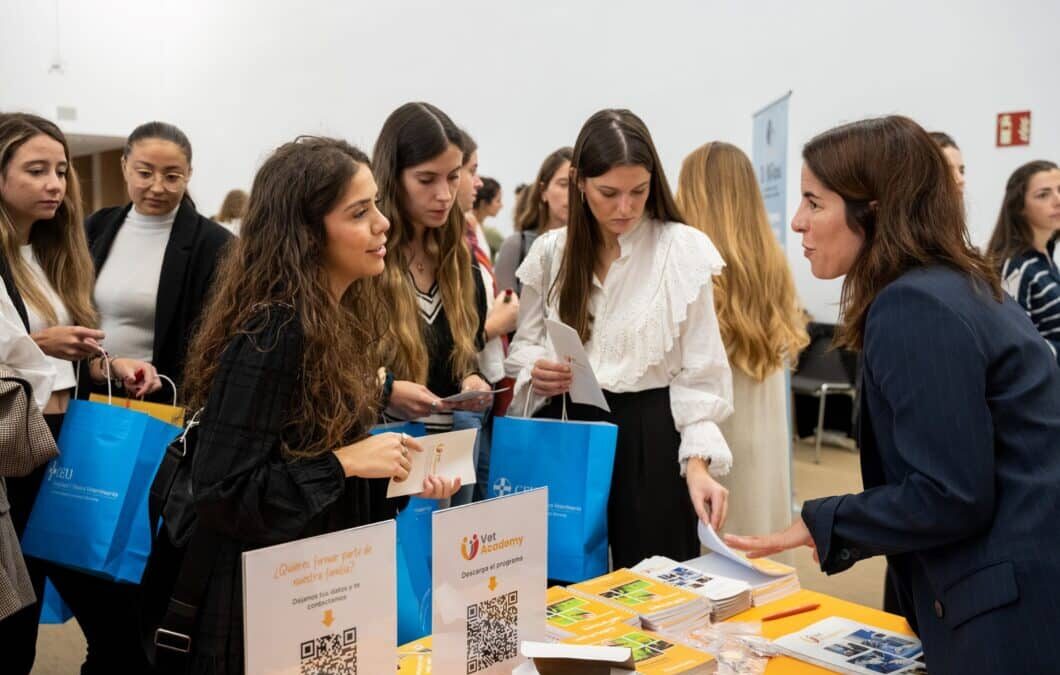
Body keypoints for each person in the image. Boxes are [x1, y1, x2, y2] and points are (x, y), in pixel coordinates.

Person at [725, 116, 1060, 673]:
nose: (799, 222)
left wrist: (825, 520)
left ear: (874, 208)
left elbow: (952, 493)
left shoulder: (915, 307)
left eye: (814, 202)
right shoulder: (951, 285)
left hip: (1008, 610)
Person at [171, 136, 460, 674]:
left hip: (320, 587)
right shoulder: (275, 331)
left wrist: (396, 474)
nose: (383, 223)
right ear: (307, 233)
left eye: (376, 203)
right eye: (359, 212)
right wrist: (346, 463)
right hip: (264, 606)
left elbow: (324, 485)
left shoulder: (335, 320)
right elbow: (222, 493)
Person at [506, 109, 733, 569]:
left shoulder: (681, 249)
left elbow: (701, 374)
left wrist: (698, 465)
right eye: (609, 193)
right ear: (579, 183)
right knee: (561, 586)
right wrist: (536, 369)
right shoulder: (551, 253)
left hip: (651, 432)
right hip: (568, 425)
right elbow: (524, 344)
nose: (625, 208)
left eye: (639, 192)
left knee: (655, 589)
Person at [0, 112, 159, 674]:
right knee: (14, 639)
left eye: (62, 171)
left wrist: (106, 367)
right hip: (12, 463)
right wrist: (41, 342)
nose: (54, 185)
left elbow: (59, 361)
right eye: (36, 170)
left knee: (122, 625)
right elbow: (28, 352)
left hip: (69, 454)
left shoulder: (47, 255)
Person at [675, 141, 809, 542]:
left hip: (713, 438)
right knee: (757, 548)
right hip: (763, 436)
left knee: (711, 558)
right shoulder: (774, 262)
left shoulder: (692, 267)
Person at [86, 122, 232, 397]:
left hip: (164, 396)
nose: (157, 187)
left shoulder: (215, 245)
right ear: (124, 166)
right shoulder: (96, 227)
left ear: (189, 174)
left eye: (172, 177)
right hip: (94, 389)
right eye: (144, 173)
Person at [986, 160, 1060, 361]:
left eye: (1059, 190)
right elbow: (1014, 344)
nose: (1057, 200)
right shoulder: (1016, 266)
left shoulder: (1046, 256)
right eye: (1043, 195)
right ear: (1020, 207)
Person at [495, 147, 572, 294]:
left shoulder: (595, 247)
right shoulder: (517, 245)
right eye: (563, 184)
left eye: (579, 186)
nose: (572, 194)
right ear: (543, 191)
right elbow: (506, 309)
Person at [471, 176, 503, 244]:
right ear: (483, 203)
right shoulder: (491, 234)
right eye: (498, 201)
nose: (501, 206)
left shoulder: (482, 230)